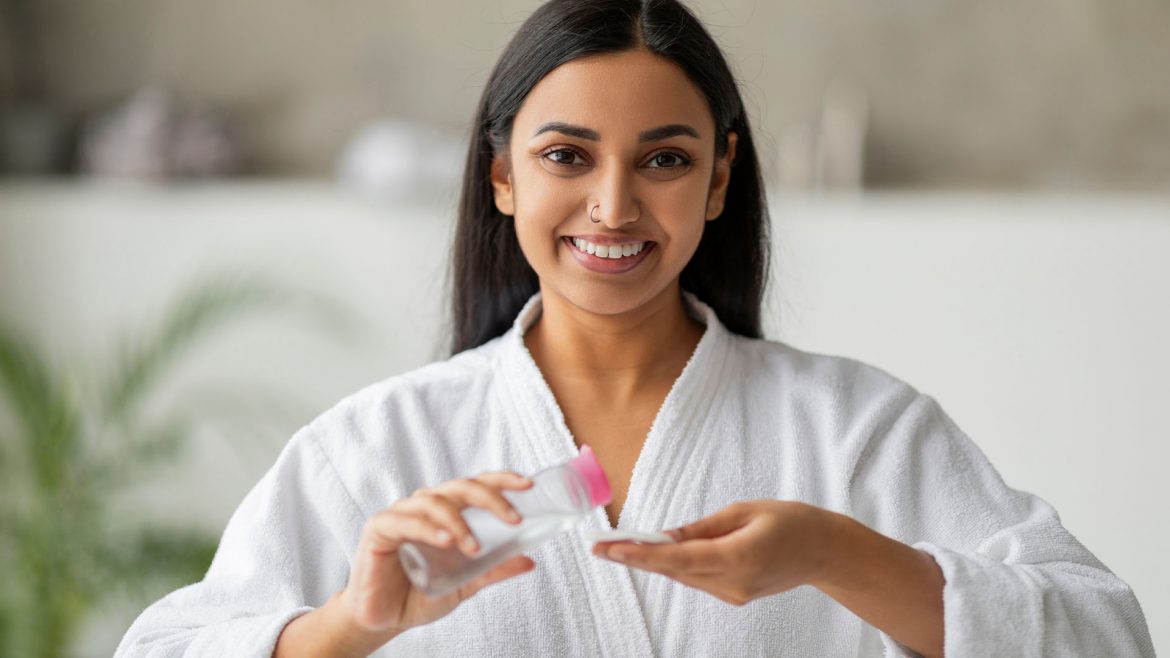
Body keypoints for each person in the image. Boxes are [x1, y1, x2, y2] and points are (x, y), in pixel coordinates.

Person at [115, 1, 1154, 656]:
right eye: (568, 156)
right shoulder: (375, 450)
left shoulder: (860, 432)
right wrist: (347, 627)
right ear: (501, 173)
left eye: (663, 159)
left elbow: (1109, 635)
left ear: (719, 180)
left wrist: (842, 554)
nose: (614, 206)